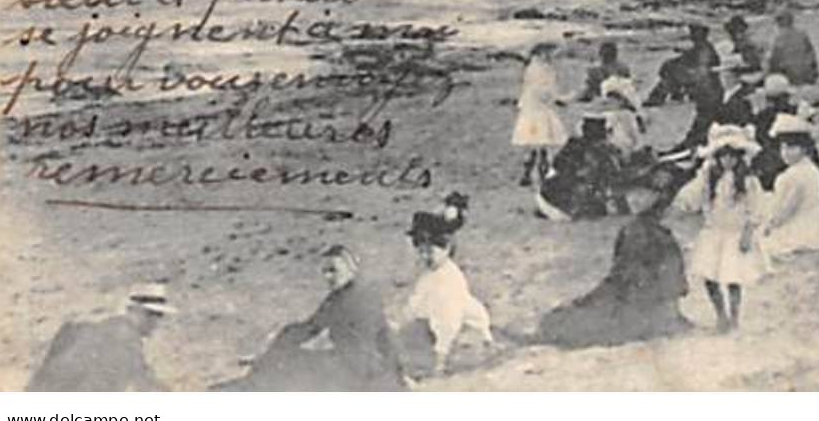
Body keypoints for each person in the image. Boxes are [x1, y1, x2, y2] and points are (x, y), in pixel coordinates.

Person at [533, 177, 692, 349]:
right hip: (657, 308)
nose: (634, 200)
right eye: (632, 195)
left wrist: (590, 300)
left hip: (640, 309)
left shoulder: (638, 231)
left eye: (642, 195)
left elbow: (622, 279)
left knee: (560, 322)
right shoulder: (658, 230)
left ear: (655, 198)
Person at [227, 246, 406, 391]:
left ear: (351, 269)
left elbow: (315, 330)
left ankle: (255, 384)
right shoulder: (348, 294)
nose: (328, 277)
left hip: (361, 367)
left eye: (333, 271)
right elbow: (312, 327)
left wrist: (280, 345)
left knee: (296, 364)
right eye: (325, 272)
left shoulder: (353, 297)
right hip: (361, 361)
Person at [675, 124, 768, 333]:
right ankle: (721, 315)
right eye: (723, 156)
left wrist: (747, 234)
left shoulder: (748, 180)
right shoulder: (709, 177)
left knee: (733, 277)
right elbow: (693, 195)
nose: (728, 160)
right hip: (713, 232)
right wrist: (684, 203)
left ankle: (734, 316)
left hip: (734, 233)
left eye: (733, 156)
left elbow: (756, 208)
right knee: (709, 275)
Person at [27, 283, 174, 391]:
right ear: (134, 310)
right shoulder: (125, 339)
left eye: (159, 315)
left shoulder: (94, 327)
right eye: (152, 314)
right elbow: (145, 384)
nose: (156, 322)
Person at [400, 213, 494, 376]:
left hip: (465, 336)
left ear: (448, 248)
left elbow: (449, 321)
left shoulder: (448, 280)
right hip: (443, 329)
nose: (425, 257)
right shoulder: (430, 276)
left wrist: (440, 360)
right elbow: (415, 305)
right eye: (421, 251)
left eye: (430, 252)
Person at [758, 114, 819, 257]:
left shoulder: (795, 175)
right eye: (783, 148)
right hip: (813, 228)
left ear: (805, 148)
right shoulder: (812, 170)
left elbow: (787, 209)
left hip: (798, 229)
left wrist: (770, 225)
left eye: (791, 147)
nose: (786, 153)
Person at [512, 43, 570, 220]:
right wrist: (558, 98)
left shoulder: (534, 67)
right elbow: (543, 90)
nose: (550, 55)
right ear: (539, 53)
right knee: (542, 141)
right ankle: (538, 171)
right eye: (547, 52)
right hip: (538, 107)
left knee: (535, 142)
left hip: (533, 105)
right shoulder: (540, 68)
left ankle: (529, 171)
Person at [546, 115, 629, 218]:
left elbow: (556, 165)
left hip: (552, 196)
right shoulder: (605, 151)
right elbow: (616, 178)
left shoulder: (573, 144)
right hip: (576, 198)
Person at [646, 23, 721, 107]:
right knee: (671, 69)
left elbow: (700, 62)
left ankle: (659, 98)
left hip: (699, 76)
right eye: (692, 31)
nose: (692, 34)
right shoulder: (703, 46)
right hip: (699, 74)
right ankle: (674, 94)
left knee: (671, 76)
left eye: (694, 32)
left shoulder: (704, 48)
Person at [750, 73, 802, 190]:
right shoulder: (796, 113)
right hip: (794, 162)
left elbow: (759, 140)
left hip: (769, 164)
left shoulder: (763, 116)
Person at [766, 8, 819, 86]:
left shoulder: (777, 38)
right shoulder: (802, 34)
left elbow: (773, 62)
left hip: (789, 79)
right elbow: (812, 57)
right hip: (806, 77)